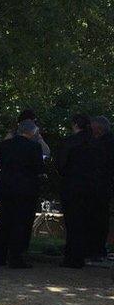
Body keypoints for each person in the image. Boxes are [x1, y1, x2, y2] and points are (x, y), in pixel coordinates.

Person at [0, 119, 44, 268]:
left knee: (5, 221)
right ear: (32, 132)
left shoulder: (5, 145)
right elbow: (39, 168)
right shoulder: (34, 147)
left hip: (6, 187)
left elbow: (0, 164)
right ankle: (16, 256)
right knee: (21, 222)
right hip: (25, 189)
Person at [55, 114, 94, 268]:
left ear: (76, 125)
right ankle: (83, 253)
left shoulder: (70, 143)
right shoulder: (94, 142)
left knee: (72, 222)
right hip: (90, 186)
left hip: (71, 186)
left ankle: (72, 256)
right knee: (85, 221)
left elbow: (61, 164)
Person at [88, 116, 113, 260]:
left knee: (98, 218)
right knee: (100, 218)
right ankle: (98, 248)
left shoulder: (102, 144)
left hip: (99, 185)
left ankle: (96, 248)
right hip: (104, 185)